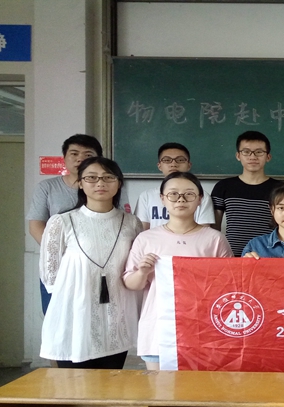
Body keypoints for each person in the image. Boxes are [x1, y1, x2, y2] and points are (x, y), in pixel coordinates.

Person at [39, 157, 142, 370]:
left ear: (119, 183)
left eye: (108, 177)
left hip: (117, 311)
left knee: (111, 378)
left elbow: (134, 265)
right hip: (76, 311)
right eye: (91, 178)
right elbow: (51, 275)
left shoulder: (132, 223)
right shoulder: (62, 221)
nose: (100, 183)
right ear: (80, 183)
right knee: (74, 380)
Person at [124, 172, 233, 371]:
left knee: (200, 387)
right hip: (158, 329)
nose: (181, 200)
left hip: (203, 329)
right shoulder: (146, 238)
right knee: (160, 386)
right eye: (173, 194)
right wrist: (142, 272)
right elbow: (131, 283)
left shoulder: (214, 239)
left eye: (189, 194)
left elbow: (229, 285)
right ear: (162, 198)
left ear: (200, 199)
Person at [27, 134, 103, 314]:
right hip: (59, 266)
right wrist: (60, 253)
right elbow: (36, 225)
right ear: (64, 157)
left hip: (96, 265)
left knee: (92, 318)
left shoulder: (107, 187)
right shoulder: (47, 187)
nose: (80, 159)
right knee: (57, 317)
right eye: (74, 154)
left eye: (88, 155)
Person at [211, 131, 281, 257]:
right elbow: (214, 229)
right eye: (246, 152)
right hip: (232, 256)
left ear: (268, 157)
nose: (252, 157)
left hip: (269, 256)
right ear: (238, 155)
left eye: (259, 152)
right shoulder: (223, 187)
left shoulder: (280, 189)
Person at [133, 142, 215, 230]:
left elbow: (204, 232)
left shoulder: (201, 196)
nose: (173, 164)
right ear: (159, 166)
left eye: (180, 160)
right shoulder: (146, 196)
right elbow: (142, 231)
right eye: (167, 160)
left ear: (189, 165)